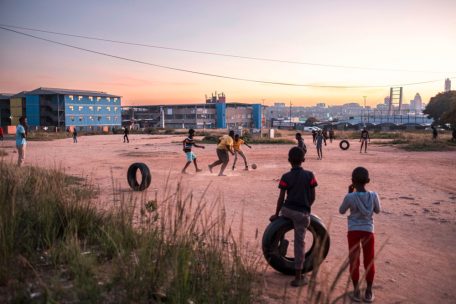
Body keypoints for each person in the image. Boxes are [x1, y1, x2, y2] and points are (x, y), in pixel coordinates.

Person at [270, 147, 317, 287]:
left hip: (287, 210)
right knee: (299, 243)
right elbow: (313, 196)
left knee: (281, 224)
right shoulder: (310, 175)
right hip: (302, 213)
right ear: (303, 160)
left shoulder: (286, 177)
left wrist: (276, 214)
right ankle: (298, 277)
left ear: (289, 160)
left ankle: (280, 241)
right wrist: (307, 209)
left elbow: (281, 198)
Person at [339, 167, 381, 303]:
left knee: (354, 261)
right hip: (368, 231)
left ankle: (356, 291)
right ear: (368, 181)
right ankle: (368, 292)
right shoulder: (374, 196)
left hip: (353, 231)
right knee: (369, 261)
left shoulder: (350, 197)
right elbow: (378, 211)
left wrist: (348, 194)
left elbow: (341, 211)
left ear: (352, 181)